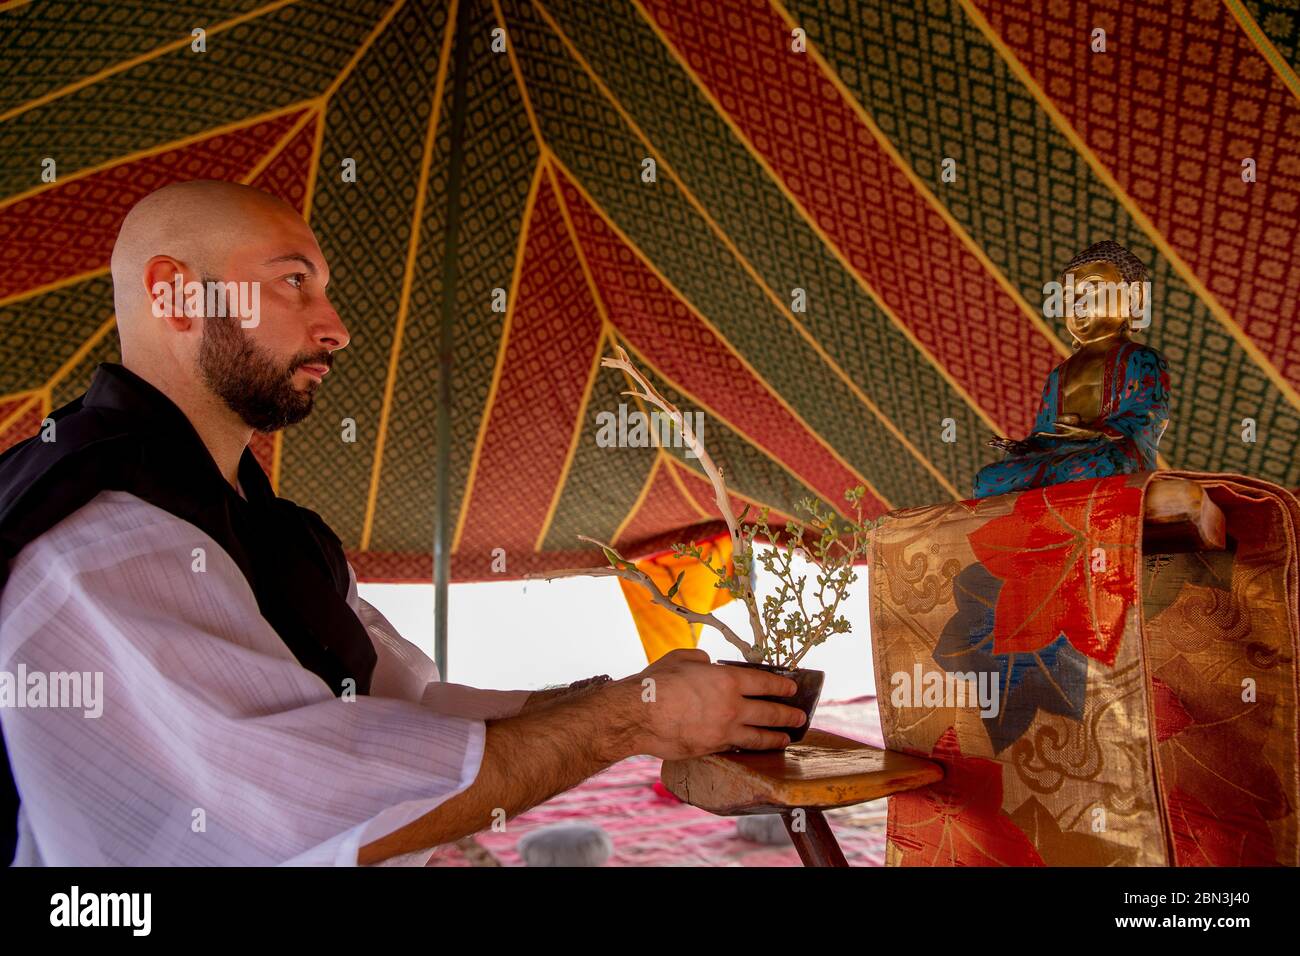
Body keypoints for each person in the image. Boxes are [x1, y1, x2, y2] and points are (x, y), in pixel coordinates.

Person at [0, 180, 805, 866]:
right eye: (293, 283)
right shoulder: (96, 536)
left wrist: (632, 695)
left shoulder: (273, 529)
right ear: (175, 294)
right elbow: (300, 802)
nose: (336, 327)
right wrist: (632, 719)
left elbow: (415, 706)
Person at [972, 240, 1170, 499]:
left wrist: (1099, 431)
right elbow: (1044, 432)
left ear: (1134, 297)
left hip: (1109, 453)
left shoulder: (1140, 358)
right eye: (1068, 296)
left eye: (1093, 290)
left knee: (1104, 464)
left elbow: (1150, 416)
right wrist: (1025, 446)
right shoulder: (1059, 374)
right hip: (1060, 457)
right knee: (986, 480)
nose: (1077, 303)